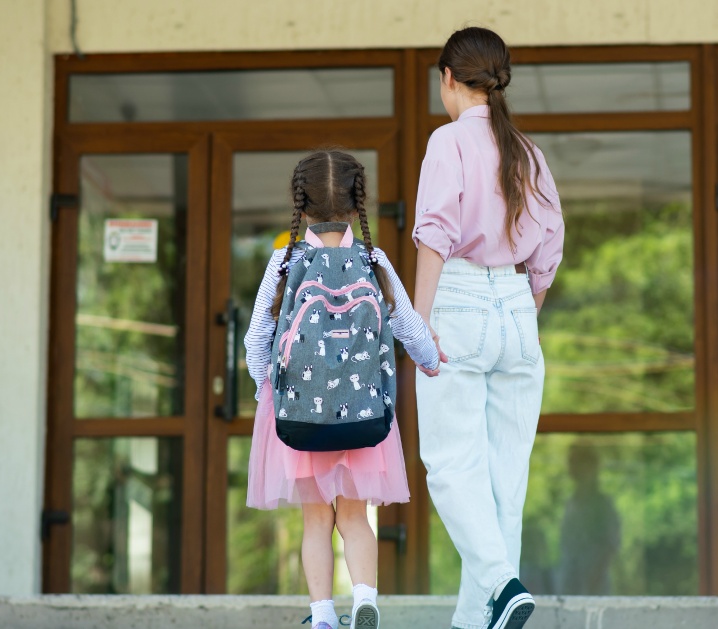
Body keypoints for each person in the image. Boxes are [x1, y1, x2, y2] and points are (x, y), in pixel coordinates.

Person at [244, 150, 444, 629]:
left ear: (300, 203)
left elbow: (257, 340)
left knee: (316, 521)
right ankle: (365, 598)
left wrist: (264, 390)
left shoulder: (285, 261)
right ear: (358, 204)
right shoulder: (372, 259)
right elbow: (409, 326)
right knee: (355, 518)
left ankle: (322, 617)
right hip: (362, 416)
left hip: (298, 416)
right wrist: (432, 362)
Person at [412, 27, 565, 629]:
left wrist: (418, 323)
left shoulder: (446, 141)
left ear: (449, 79)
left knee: (452, 468)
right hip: (518, 309)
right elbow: (549, 241)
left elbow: (433, 234)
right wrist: (523, 306)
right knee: (506, 480)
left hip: (460, 299)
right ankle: (480, 619)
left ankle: (502, 586)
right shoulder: (527, 150)